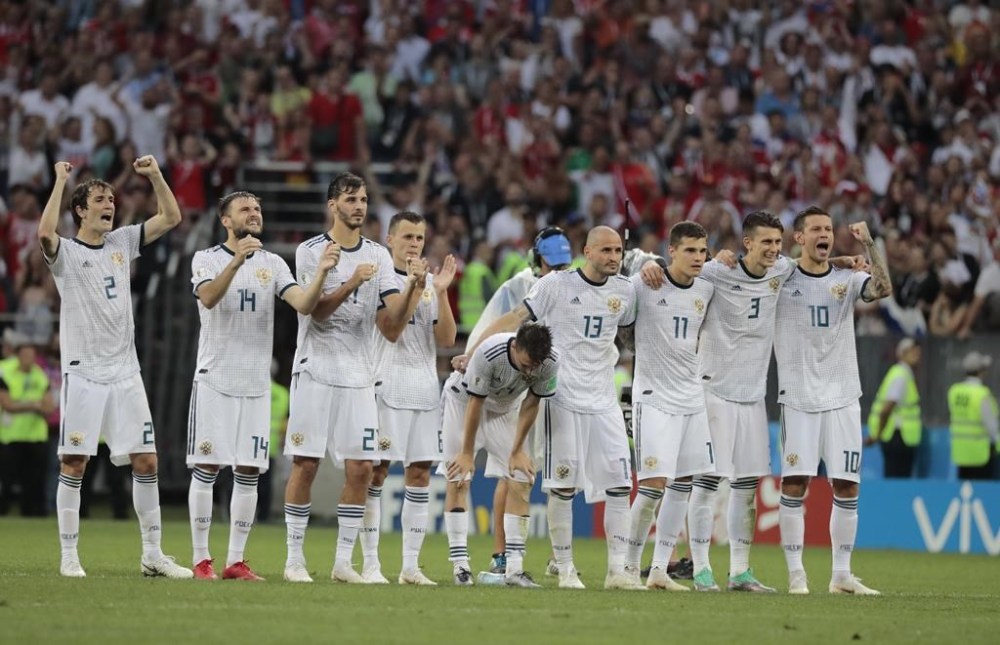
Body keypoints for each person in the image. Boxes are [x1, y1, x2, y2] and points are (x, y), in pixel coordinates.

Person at [38, 158, 191, 579]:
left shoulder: (122, 242)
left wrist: (157, 175)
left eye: (112, 199)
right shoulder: (66, 253)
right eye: (100, 200)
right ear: (81, 210)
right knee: (74, 463)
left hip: (126, 373)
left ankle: (153, 555)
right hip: (83, 373)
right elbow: (45, 234)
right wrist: (60, 180)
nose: (110, 204)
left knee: (146, 461)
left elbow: (172, 217)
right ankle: (69, 556)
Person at [465, 225, 641, 590]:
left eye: (618, 251)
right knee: (562, 486)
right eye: (605, 250)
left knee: (621, 485)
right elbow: (515, 318)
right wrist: (472, 352)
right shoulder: (554, 285)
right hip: (561, 398)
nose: (613, 257)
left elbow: (630, 335)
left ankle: (617, 572)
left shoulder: (625, 290)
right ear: (587, 252)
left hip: (604, 400)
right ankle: (565, 570)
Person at [186, 190, 340, 581]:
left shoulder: (273, 263)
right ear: (226, 219)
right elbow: (207, 297)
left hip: (255, 384)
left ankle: (235, 560)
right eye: (245, 209)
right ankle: (201, 558)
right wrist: (237, 261)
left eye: (257, 208)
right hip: (215, 379)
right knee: (206, 467)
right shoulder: (206, 258)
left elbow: (304, 305)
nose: (254, 213)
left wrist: (321, 271)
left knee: (249, 471)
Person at [282, 172, 425, 584]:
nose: (359, 205)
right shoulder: (311, 251)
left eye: (362, 198)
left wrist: (413, 288)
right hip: (316, 369)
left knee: (362, 467)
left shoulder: (379, 256)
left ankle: (344, 561)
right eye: (350, 199)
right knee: (306, 463)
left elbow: (392, 326)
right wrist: (349, 281)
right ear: (333, 205)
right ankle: (294, 558)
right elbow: (315, 311)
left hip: (360, 375)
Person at [776, 208, 893, 596]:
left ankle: (841, 575)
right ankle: (796, 575)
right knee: (795, 484)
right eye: (816, 229)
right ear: (799, 237)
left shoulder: (847, 277)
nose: (824, 234)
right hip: (798, 397)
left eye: (828, 229)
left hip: (843, 397)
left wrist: (869, 244)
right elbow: (756, 267)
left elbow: (883, 289)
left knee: (846, 485)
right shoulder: (783, 275)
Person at [460, 226, 573, 574]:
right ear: (535, 259)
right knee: (512, 473)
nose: (555, 270)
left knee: (561, 475)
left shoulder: (574, 284)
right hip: (519, 389)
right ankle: (501, 555)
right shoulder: (521, 284)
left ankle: (559, 558)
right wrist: (473, 353)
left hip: (559, 386)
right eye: (549, 263)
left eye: (561, 263)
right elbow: (501, 321)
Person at [621, 222, 716, 591]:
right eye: (690, 250)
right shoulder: (644, 283)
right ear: (672, 251)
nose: (698, 257)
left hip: (691, 398)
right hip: (654, 398)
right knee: (652, 487)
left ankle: (659, 569)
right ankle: (628, 569)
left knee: (685, 483)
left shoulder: (707, 287)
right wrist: (640, 267)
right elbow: (620, 319)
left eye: (703, 251)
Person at [364, 211, 457, 586]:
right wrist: (416, 287)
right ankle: (370, 563)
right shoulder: (378, 277)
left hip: (423, 387)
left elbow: (447, 339)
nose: (414, 244)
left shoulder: (432, 283)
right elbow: (390, 330)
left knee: (419, 473)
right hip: (387, 383)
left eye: (419, 238)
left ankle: (409, 567)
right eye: (407, 237)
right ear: (390, 240)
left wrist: (443, 291)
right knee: (378, 471)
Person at [444, 323, 559, 587]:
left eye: (536, 366)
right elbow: (475, 403)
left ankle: (514, 570)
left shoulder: (549, 362)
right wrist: (467, 452)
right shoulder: (490, 352)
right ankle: (461, 567)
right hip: (464, 402)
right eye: (527, 363)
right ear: (516, 346)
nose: (531, 370)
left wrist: (517, 450)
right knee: (459, 475)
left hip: (505, 407)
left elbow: (532, 402)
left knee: (522, 475)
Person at [0, 332, 54, 517]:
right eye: (25, 355)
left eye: (32, 356)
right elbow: (7, 405)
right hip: (10, 435)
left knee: (33, 479)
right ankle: (3, 511)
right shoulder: (5, 372)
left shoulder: (40, 375)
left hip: (35, 435)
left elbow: (49, 406)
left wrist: (21, 404)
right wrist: (33, 404)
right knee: (6, 478)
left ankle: (31, 512)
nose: (28, 359)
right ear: (17, 356)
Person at [865, 338, 922, 478]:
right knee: (897, 479)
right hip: (898, 437)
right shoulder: (901, 375)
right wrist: (877, 434)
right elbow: (887, 408)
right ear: (902, 353)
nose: (917, 353)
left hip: (898, 436)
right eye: (911, 350)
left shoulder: (902, 373)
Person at [947, 352, 999, 481]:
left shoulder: (954, 391)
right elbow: (992, 427)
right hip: (980, 453)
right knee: (982, 493)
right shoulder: (982, 394)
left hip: (961, 452)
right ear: (981, 372)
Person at [258, 360, 289, 523]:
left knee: (244, 481)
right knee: (266, 483)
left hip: (251, 443)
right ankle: (264, 515)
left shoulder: (256, 388)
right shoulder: (283, 394)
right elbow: (286, 419)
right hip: (272, 444)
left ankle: (243, 516)